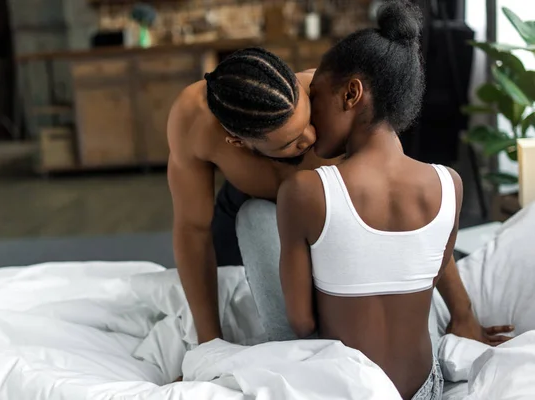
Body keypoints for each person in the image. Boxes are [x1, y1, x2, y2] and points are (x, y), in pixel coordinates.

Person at [166, 46, 511, 348]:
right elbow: (192, 231)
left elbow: (409, 205)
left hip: (326, 215)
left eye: (307, 121)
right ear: (238, 141)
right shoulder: (192, 121)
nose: (311, 137)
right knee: (250, 227)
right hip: (246, 207)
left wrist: (463, 313)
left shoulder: (336, 103)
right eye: (290, 142)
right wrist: (208, 344)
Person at [252, 1, 504, 399]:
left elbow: (300, 324)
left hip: (346, 389)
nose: (310, 122)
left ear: (351, 93)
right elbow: (433, 264)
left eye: (315, 98)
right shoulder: (449, 184)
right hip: (424, 390)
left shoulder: (305, 192)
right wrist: (463, 314)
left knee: (252, 215)